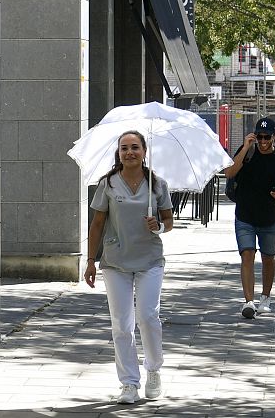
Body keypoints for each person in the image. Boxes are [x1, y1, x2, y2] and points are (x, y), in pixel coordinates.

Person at [84, 130, 174, 404]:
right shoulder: (108, 184)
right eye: (124, 148)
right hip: (116, 262)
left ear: (144, 152)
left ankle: (154, 370)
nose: (130, 152)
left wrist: (157, 225)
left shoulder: (157, 184)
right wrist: (90, 260)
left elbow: (168, 221)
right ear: (119, 153)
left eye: (135, 147)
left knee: (147, 316)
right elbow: (97, 224)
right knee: (121, 325)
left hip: (149, 260)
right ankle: (128, 384)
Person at [224, 117, 275, 319]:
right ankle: (248, 301)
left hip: (269, 217)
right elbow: (229, 172)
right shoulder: (246, 152)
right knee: (247, 254)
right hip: (245, 215)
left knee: (268, 257)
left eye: (267, 137)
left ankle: (265, 297)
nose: (263, 141)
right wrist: (246, 147)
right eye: (260, 136)